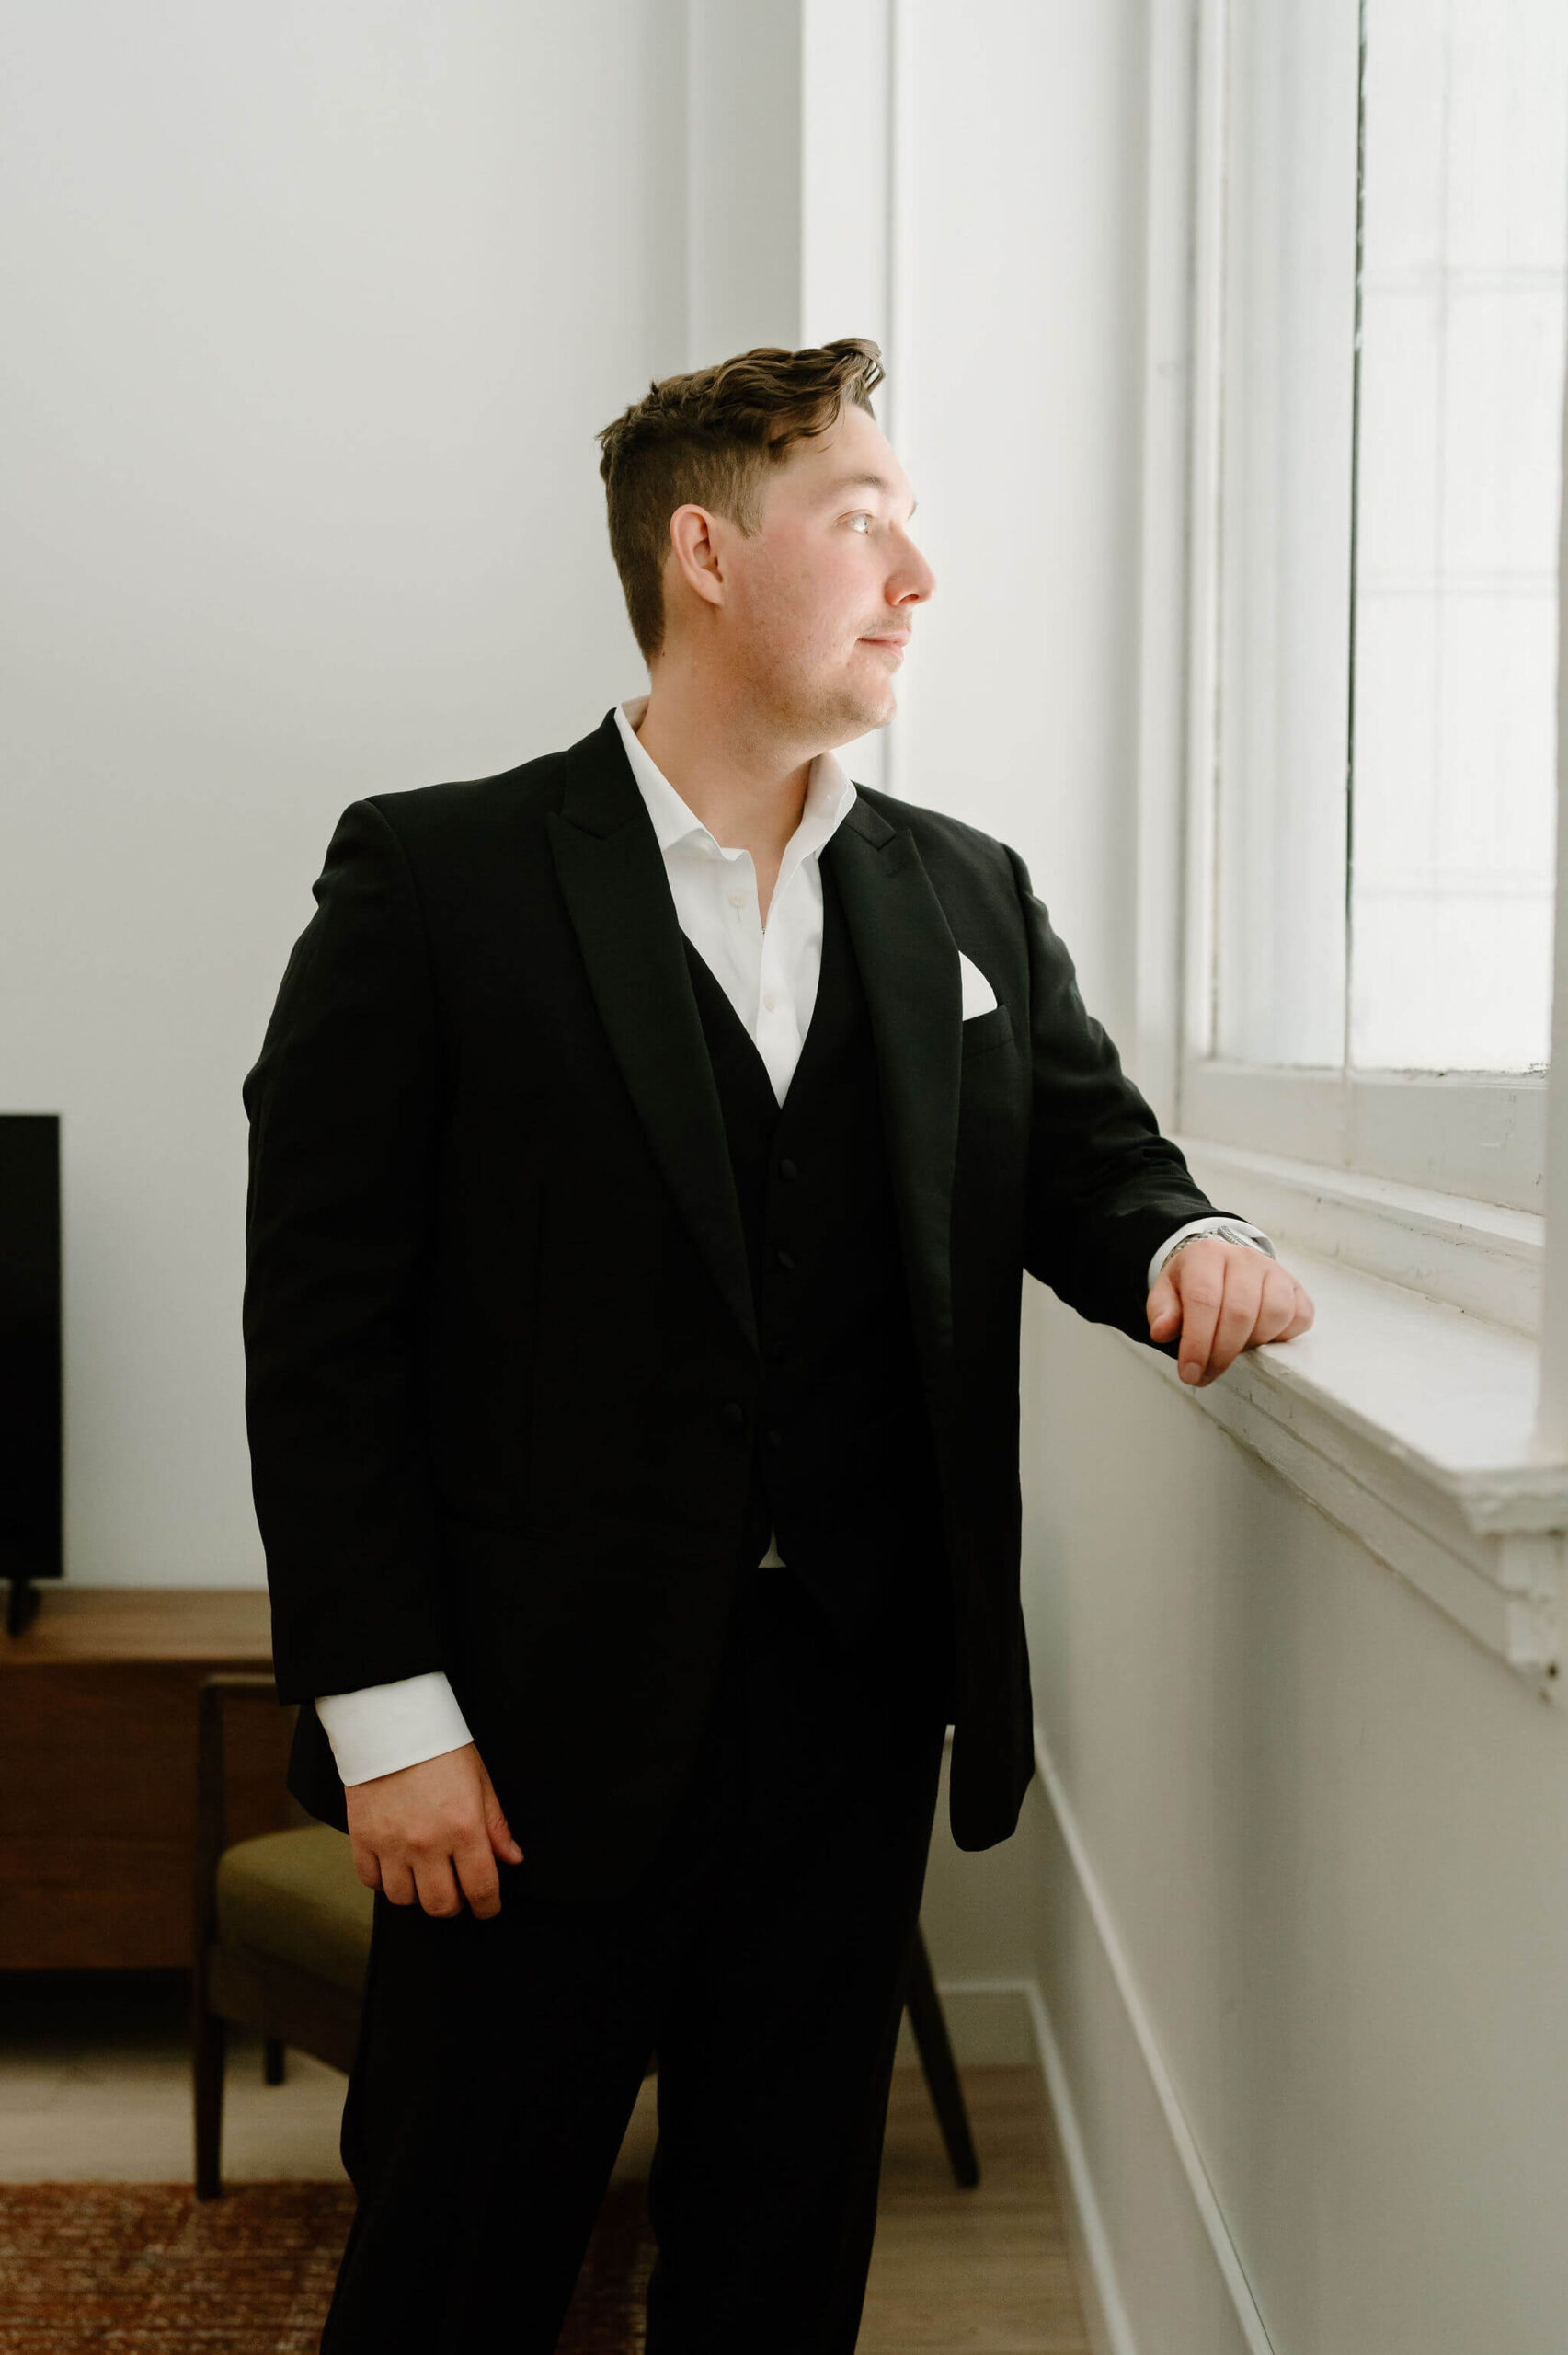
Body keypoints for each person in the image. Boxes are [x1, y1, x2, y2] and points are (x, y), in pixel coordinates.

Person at [241, 336, 1314, 2353]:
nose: (918, 574)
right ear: (705, 551)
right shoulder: (436, 876)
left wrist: (1198, 1235)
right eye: (865, 520)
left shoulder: (966, 897)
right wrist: (391, 1712)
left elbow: (1093, 1165)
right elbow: (318, 1327)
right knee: (454, 2272)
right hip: (516, 1736)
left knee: (775, 2273)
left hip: (844, 1720)